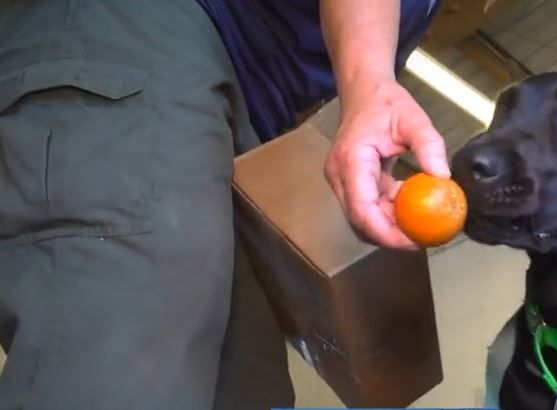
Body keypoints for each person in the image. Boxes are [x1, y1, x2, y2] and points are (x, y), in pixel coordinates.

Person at [0, 0, 447, 409]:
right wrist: (369, 80)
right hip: (143, 34)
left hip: (239, 128)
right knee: (132, 372)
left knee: (249, 390)